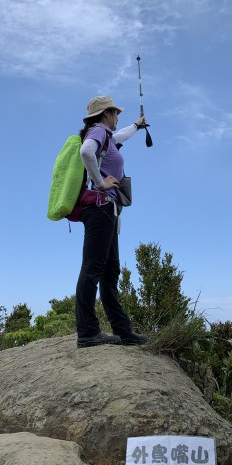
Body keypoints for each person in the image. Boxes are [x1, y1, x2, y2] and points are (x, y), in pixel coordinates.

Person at [75, 95, 148, 348]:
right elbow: (86, 152)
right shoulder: (98, 131)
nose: (118, 118)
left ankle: (122, 331)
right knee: (94, 268)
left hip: (108, 210)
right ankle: (87, 332)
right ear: (106, 113)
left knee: (110, 271)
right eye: (116, 113)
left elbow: (123, 135)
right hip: (100, 206)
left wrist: (137, 126)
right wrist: (99, 182)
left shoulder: (108, 138)